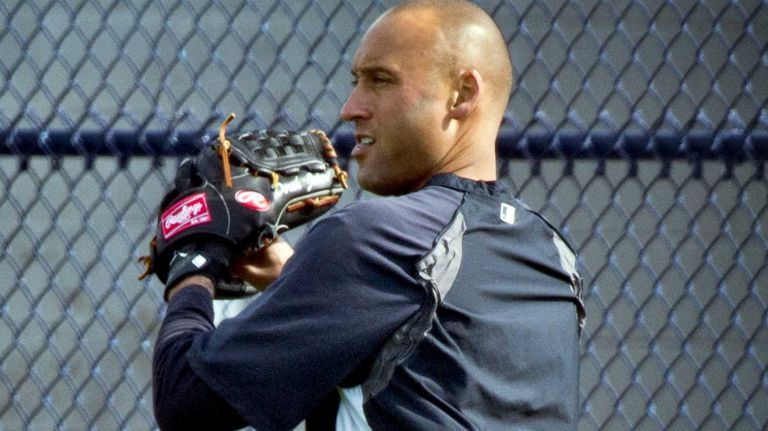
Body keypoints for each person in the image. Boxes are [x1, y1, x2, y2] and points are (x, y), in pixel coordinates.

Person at [152, 0, 585, 430]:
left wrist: (193, 265)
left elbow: (185, 402)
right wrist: (299, 277)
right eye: (356, 80)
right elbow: (427, 359)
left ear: (463, 94)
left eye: (380, 80)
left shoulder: (374, 239)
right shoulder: (551, 255)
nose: (351, 107)